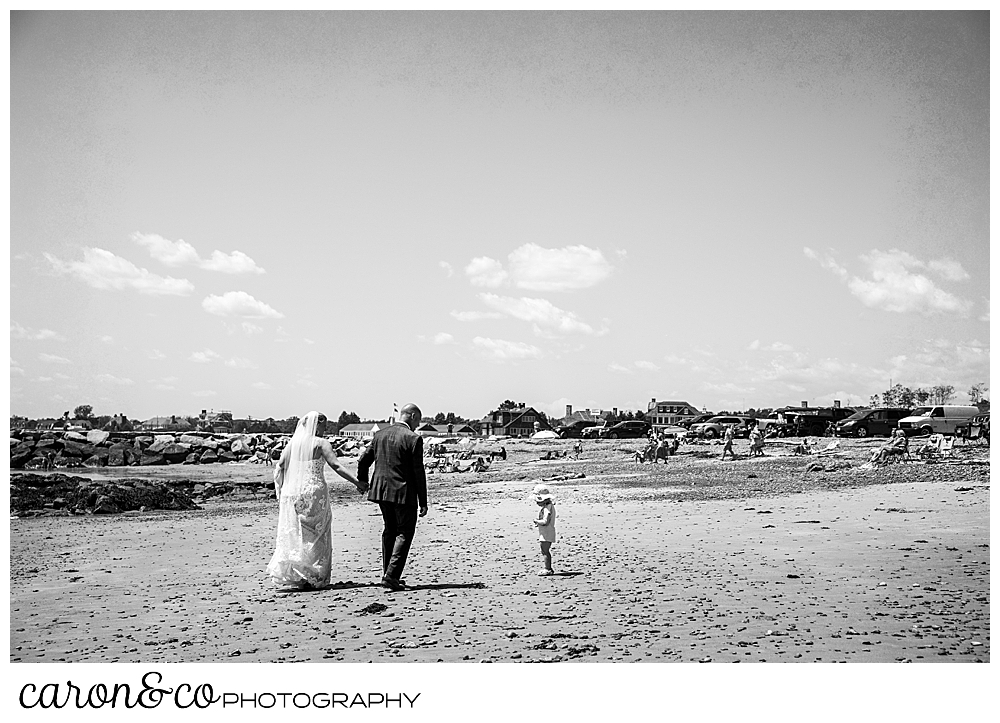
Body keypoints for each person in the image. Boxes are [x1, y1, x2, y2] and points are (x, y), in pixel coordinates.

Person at [266, 412, 367, 591]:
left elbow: (281, 465)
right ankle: (314, 574)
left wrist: (284, 488)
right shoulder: (321, 443)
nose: (325, 429)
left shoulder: (293, 444)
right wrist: (357, 482)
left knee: (298, 532)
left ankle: (298, 574)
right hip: (314, 491)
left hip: (293, 492)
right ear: (317, 425)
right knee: (317, 532)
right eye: (324, 425)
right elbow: (336, 465)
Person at [357, 403, 428, 591]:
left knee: (390, 530)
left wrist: (362, 481)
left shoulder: (379, 435)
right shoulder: (413, 438)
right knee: (404, 532)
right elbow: (418, 472)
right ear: (411, 416)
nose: (417, 425)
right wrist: (423, 501)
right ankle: (391, 576)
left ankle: (388, 574)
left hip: (381, 491)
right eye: (418, 420)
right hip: (403, 492)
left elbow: (364, 460)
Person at [532, 484, 556, 576]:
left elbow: (546, 521)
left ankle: (548, 568)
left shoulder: (547, 508)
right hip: (546, 531)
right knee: (544, 550)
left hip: (547, 532)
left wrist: (537, 521)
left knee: (545, 550)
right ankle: (548, 568)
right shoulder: (548, 507)